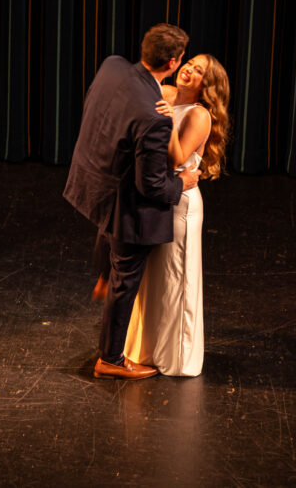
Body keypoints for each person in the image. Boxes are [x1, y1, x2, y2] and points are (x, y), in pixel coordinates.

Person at [64, 23, 200, 380]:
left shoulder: (112, 66)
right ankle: (110, 359)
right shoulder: (154, 117)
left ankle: (103, 276)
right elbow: (153, 185)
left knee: (106, 233)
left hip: (97, 180)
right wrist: (182, 181)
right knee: (127, 276)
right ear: (173, 62)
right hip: (126, 204)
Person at [124, 54, 230, 376]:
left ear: (206, 86)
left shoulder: (199, 115)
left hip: (181, 204)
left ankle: (178, 359)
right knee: (154, 280)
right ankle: (148, 350)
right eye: (190, 64)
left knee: (176, 280)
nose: (189, 70)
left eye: (199, 72)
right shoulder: (167, 94)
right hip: (159, 201)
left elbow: (177, 158)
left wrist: (169, 122)